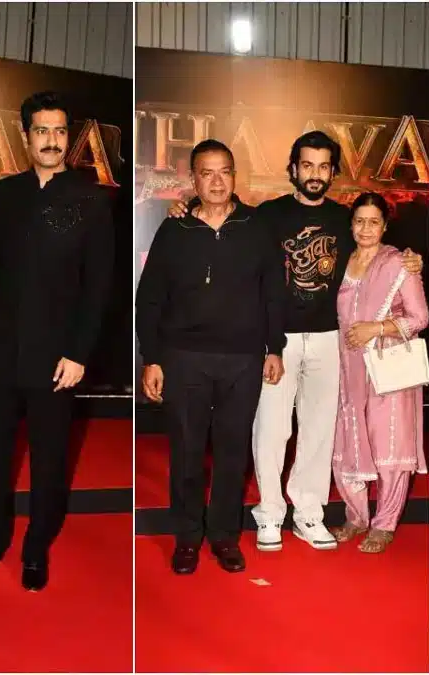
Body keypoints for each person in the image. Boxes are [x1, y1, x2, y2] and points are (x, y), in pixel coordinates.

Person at [168, 131, 422, 552]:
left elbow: (377, 247)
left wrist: (410, 259)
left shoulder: (345, 219)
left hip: (328, 339)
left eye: (324, 167)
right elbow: (218, 214)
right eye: (307, 165)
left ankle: (308, 512)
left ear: (332, 173)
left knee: (320, 430)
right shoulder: (265, 216)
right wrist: (186, 207)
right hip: (276, 338)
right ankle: (269, 514)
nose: (315, 174)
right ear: (293, 169)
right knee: (271, 428)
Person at [0, 91, 114, 591]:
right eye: (41, 131)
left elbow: (100, 286)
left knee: (49, 458)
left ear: (69, 139)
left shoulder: (91, 198)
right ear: (26, 137)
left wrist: (78, 354)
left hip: (57, 357)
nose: (50, 140)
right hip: (1, 348)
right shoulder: (4, 193)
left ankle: (35, 549)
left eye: (59, 131)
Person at [136, 140, 286, 574]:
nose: (217, 181)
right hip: (184, 358)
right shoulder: (175, 229)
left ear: (235, 176)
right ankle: (186, 536)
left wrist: (274, 347)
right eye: (207, 172)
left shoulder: (257, 226)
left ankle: (223, 536)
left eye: (225, 172)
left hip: (242, 360)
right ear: (193, 179)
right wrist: (152, 357)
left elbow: (273, 294)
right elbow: (149, 300)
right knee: (185, 451)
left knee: (232, 452)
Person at [327, 192, 428, 553]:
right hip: (345, 365)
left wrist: (376, 328)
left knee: (388, 444)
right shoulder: (340, 260)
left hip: (387, 365)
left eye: (374, 222)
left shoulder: (399, 263)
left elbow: (419, 318)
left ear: (384, 226)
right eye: (359, 221)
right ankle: (356, 517)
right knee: (348, 441)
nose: (366, 228)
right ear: (351, 224)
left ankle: (384, 524)